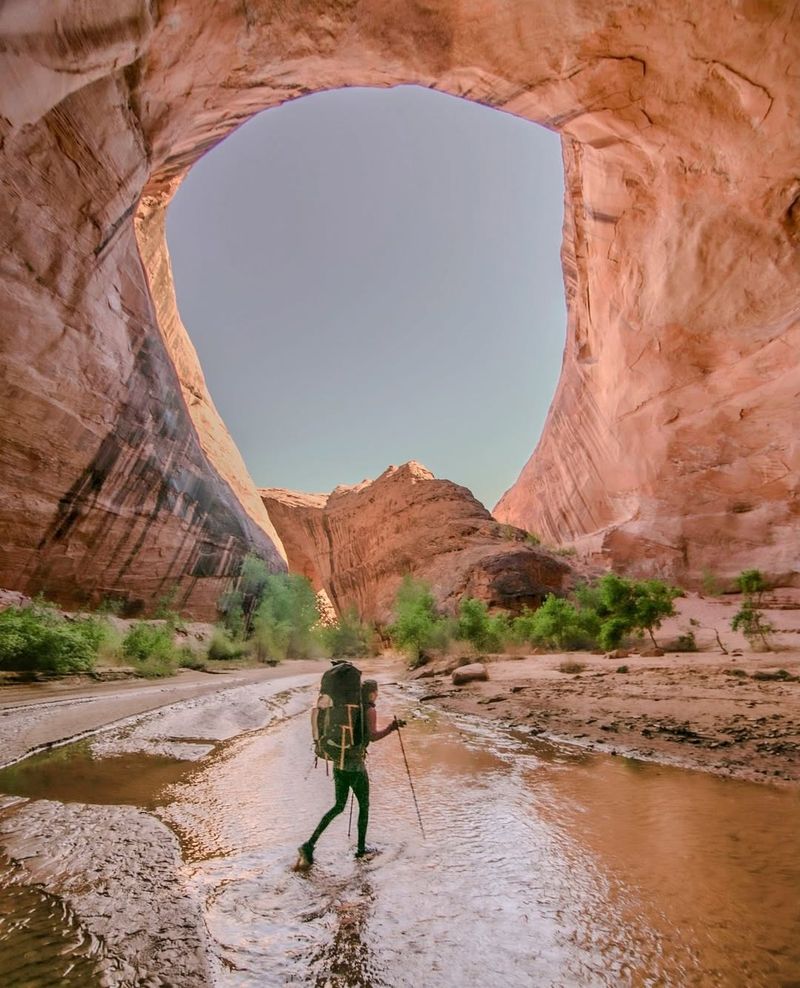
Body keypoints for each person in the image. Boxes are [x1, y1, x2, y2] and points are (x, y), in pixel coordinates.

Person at [298, 679, 404, 865]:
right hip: (356, 767)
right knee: (364, 806)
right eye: (376, 692)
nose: (377, 695)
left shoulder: (349, 709)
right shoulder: (369, 710)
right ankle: (361, 850)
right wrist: (391, 728)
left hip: (339, 764)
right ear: (372, 693)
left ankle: (309, 844)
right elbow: (372, 736)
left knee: (338, 806)